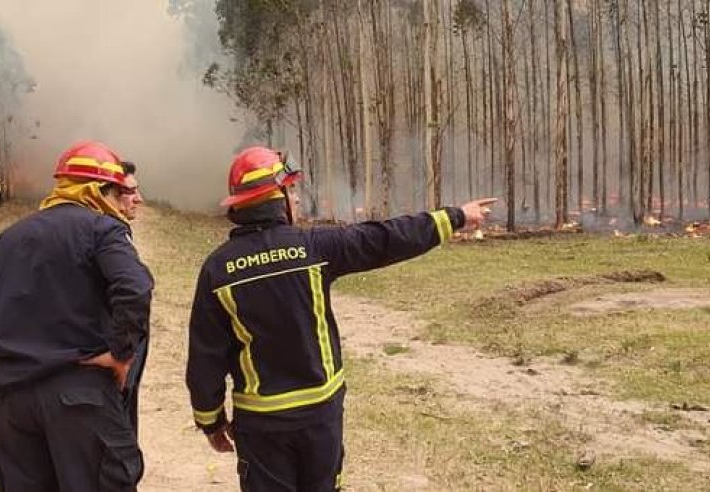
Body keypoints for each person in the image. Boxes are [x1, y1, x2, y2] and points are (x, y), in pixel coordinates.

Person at [185, 146, 497, 491]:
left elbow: (205, 357)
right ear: (279, 197)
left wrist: (211, 421)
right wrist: (454, 217)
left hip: (261, 424)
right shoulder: (314, 247)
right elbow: (385, 239)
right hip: (320, 416)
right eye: (292, 191)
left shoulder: (217, 270)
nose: (297, 200)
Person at [0, 141, 154, 492]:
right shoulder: (102, 229)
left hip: (10, 403)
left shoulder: (5, 240)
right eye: (117, 191)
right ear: (98, 190)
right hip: (78, 396)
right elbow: (135, 288)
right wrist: (121, 353)